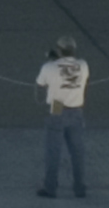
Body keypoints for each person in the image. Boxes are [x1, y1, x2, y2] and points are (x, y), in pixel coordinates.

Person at [35, 35, 91, 199]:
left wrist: (53, 61)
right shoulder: (83, 65)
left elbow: (40, 83)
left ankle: (50, 187)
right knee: (77, 151)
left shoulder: (49, 67)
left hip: (58, 107)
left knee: (53, 151)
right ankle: (79, 187)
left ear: (59, 51)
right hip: (76, 108)